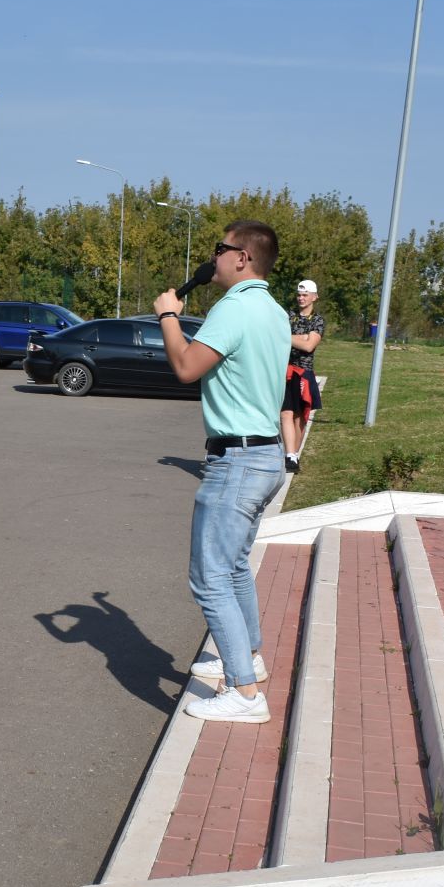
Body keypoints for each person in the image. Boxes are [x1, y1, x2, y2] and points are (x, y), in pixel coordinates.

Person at [152, 222, 292, 724]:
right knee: (232, 568)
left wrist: (169, 316)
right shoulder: (273, 310)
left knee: (209, 577)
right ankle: (246, 657)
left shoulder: (234, 308)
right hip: (265, 455)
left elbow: (187, 366)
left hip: (237, 461)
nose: (212, 258)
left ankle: (246, 693)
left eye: (220, 249)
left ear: (242, 259)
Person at [281, 279, 324, 474]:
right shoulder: (288, 316)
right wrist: (302, 338)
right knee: (286, 413)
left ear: (314, 297)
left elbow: (309, 345)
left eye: (305, 294)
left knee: (300, 417)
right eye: (299, 294)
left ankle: (295, 454)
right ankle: (289, 455)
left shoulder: (317, 320)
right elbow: (303, 340)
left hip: (304, 373)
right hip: (285, 370)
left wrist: (286, 338)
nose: (301, 298)